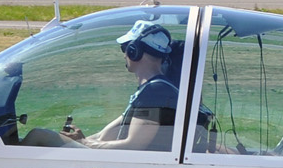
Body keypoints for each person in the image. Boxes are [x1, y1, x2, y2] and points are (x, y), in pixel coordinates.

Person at [24, 20, 178, 151]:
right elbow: (104, 135)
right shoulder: (150, 91)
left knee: (38, 135)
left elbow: (133, 145)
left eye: (125, 48)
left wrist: (85, 143)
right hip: (110, 157)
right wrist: (81, 140)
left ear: (134, 51)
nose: (124, 54)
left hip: (117, 163)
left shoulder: (155, 91)